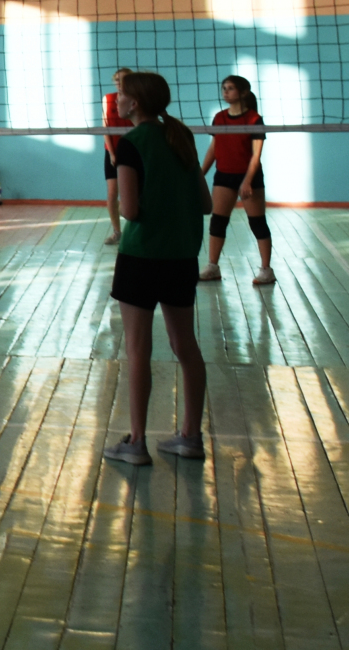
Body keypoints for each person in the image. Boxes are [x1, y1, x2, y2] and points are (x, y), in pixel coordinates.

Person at [104, 71, 212, 466]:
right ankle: (190, 437)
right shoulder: (180, 138)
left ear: (135, 103)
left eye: (121, 94)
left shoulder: (132, 143)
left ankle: (136, 442)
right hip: (182, 256)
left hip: (141, 257)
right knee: (186, 346)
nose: (116, 99)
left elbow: (130, 210)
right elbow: (205, 204)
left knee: (138, 350)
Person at [198, 74, 272, 286]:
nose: (226, 92)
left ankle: (266, 270)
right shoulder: (219, 117)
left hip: (249, 176)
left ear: (243, 92)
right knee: (217, 222)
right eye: (224, 88)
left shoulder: (254, 119)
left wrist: (247, 181)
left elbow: (256, 155)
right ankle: (213, 266)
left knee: (257, 223)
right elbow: (214, 148)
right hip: (224, 176)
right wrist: (200, 174)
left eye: (230, 88)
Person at [102, 67, 132, 244]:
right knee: (112, 194)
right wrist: (112, 153)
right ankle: (117, 232)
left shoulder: (137, 99)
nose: (120, 83)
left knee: (133, 194)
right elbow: (105, 127)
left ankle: (133, 230)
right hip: (112, 151)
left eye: (124, 79)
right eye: (117, 80)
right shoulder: (108, 99)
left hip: (132, 150)